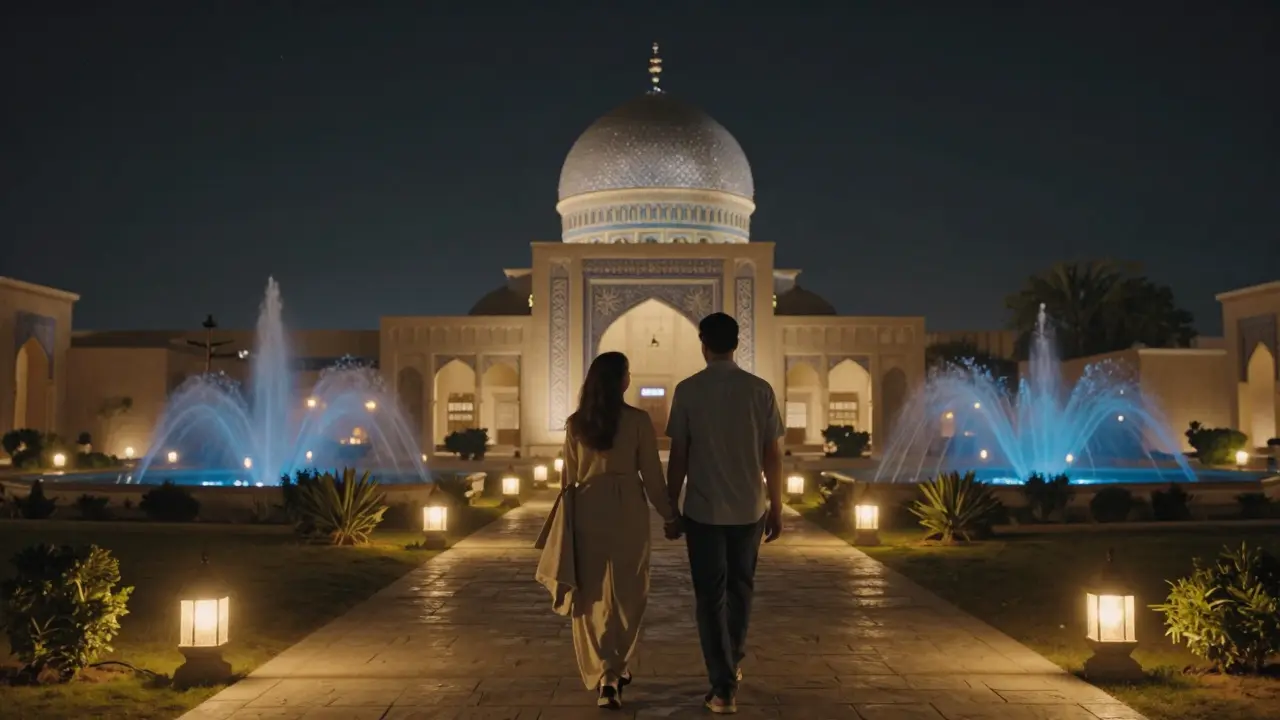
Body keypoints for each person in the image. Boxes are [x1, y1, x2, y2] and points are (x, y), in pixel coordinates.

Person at [665, 312, 784, 715]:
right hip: (749, 509)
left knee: (710, 597)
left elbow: (678, 455)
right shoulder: (760, 390)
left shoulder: (688, 391)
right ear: (737, 343)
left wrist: (669, 508)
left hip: (703, 509)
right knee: (740, 591)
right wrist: (778, 507)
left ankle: (722, 684)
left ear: (703, 344)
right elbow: (773, 456)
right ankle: (730, 668)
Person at [560, 351, 681, 709]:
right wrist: (670, 515)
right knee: (630, 590)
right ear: (622, 380)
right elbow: (652, 476)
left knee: (591, 592)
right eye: (628, 372)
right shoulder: (639, 421)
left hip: (587, 507)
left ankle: (604, 672)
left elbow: (567, 479)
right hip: (627, 506)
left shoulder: (575, 423)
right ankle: (616, 668)